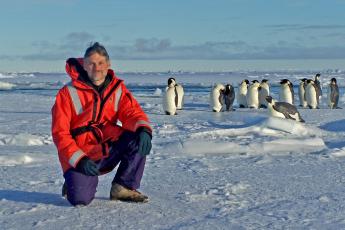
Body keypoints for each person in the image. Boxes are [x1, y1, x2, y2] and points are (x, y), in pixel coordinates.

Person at [51, 42, 152, 206]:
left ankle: (123, 187)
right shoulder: (67, 93)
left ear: (108, 64)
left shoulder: (117, 88)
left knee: (138, 137)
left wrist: (143, 129)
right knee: (80, 199)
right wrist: (79, 160)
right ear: (84, 65)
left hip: (107, 147)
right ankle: (74, 182)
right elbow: (60, 134)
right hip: (81, 154)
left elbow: (132, 113)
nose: (96, 68)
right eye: (91, 63)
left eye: (100, 63)